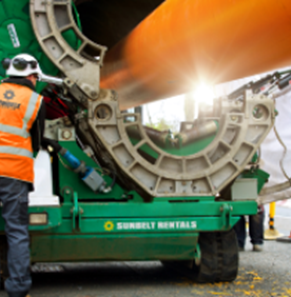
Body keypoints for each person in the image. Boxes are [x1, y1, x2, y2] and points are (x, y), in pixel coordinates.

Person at [0, 54, 46, 297]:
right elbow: (37, 142)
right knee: (16, 229)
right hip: (13, 173)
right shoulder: (36, 101)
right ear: (31, 76)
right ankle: (17, 290)